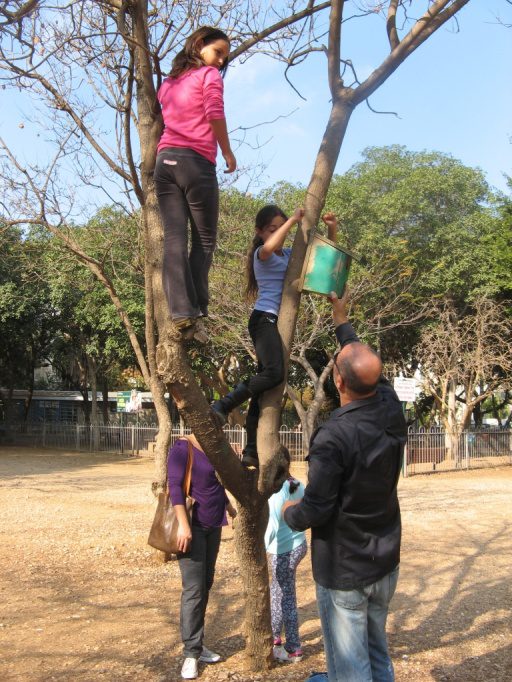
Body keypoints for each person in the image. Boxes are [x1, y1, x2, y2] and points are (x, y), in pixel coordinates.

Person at [283, 290, 407, 682]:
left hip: (346, 569)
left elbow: (316, 509)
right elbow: (367, 366)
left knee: (352, 670)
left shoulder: (333, 437)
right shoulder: (391, 407)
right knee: (377, 653)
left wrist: (289, 514)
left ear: (337, 379)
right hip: (384, 559)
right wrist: (342, 321)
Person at [212, 209, 339, 466]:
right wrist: (292, 221)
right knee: (273, 374)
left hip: (274, 324)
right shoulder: (262, 255)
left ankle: (250, 450)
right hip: (263, 320)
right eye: (273, 228)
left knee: (265, 388)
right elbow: (269, 248)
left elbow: (324, 259)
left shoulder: (291, 256)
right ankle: (223, 405)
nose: (279, 232)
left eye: (281, 227)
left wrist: (332, 228)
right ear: (259, 232)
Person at [154, 26, 237, 343]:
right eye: (218, 52)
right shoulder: (209, 77)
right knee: (204, 240)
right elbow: (214, 111)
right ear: (199, 44)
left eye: (224, 58)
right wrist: (227, 151)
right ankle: (199, 309)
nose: (219, 62)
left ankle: (181, 312)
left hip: (166, 163)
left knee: (175, 238)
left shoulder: (169, 83)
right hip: (195, 162)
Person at [168, 434, 237, 680]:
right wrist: (184, 525)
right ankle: (190, 653)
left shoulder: (213, 447)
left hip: (213, 527)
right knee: (194, 591)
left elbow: (216, 482)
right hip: (193, 529)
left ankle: (198, 643)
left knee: (205, 586)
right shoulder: (182, 448)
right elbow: (174, 487)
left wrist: (227, 505)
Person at [265, 447, 307, 663]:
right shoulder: (298, 484)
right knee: (280, 591)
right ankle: (278, 638)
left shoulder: (276, 492)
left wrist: (260, 552)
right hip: (299, 546)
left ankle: (292, 646)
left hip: (282, 551)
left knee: (283, 595)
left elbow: (271, 528)